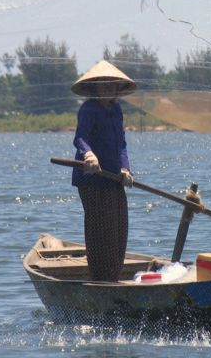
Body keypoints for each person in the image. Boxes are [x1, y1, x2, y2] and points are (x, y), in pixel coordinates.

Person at [70, 60, 136, 282]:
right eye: (103, 83)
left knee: (120, 228)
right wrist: (89, 154)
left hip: (113, 178)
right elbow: (80, 137)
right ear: (95, 87)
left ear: (118, 87)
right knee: (102, 232)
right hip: (92, 178)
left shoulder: (116, 110)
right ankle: (101, 280)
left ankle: (114, 277)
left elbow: (121, 144)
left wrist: (125, 168)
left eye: (112, 84)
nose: (108, 87)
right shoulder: (89, 109)